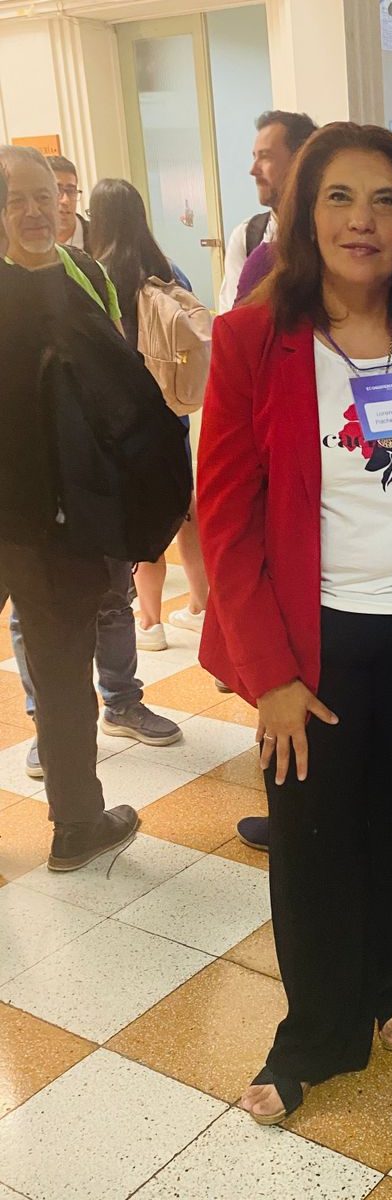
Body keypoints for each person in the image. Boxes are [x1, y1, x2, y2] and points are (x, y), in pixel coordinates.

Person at [198, 123, 392, 1123]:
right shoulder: (252, 340)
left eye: (385, 200)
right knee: (314, 843)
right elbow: (224, 519)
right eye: (339, 198)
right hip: (315, 643)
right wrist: (270, 674)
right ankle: (315, 1033)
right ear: (304, 215)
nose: (362, 221)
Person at [0, 145, 144, 870]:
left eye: (44, 195)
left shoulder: (84, 276)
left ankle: (77, 825)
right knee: (59, 674)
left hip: (59, 526)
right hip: (20, 515)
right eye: (14, 198)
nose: (34, 210)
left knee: (61, 677)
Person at [88, 178, 209, 653]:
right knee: (184, 505)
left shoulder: (96, 275)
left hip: (124, 417)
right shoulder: (168, 270)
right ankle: (200, 606)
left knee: (141, 514)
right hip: (172, 409)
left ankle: (151, 621)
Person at [219, 110, 316, 312]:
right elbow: (234, 320)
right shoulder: (247, 237)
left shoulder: (333, 235)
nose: (253, 170)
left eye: (265, 157)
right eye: (254, 157)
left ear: (300, 161)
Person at [48, 154, 90, 251]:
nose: (65, 200)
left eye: (71, 191)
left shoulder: (99, 239)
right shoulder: (30, 241)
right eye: (57, 190)